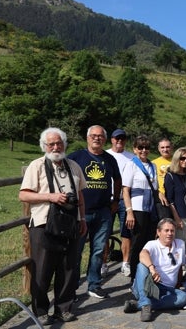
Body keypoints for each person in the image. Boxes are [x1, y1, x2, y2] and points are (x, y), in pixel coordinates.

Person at [19, 127, 87, 325]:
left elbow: (80, 194)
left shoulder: (73, 166)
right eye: (51, 144)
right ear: (44, 146)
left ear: (64, 144)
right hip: (43, 224)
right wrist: (50, 196)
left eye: (59, 143)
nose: (56, 147)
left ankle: (63, 308)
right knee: (42, 269)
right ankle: (41, 310)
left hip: (70, 222)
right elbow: (23, 194)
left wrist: (82, 218)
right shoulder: (37, 165)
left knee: (68, 267)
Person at [67, 125, 121, 300]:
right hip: (80, 213)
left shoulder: (110, 159)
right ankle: (71, 288)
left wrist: (116, 200)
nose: (97, 138)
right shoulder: (75, 157)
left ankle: (94, 284)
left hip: (103, 211)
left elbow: (118, 179)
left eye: (100, 136)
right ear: (87, 138)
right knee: (76, 251)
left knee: (98, 250)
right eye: (93, 136)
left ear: (104, 139)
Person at [123, 218, 186, 322]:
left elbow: (179, 267)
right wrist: (152, 268)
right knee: (141, 266)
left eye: (172, 231)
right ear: (158, 232)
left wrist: (177, 285)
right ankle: (145, 300)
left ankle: (140, 305)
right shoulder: (152, 244)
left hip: (168, 290)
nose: (170, 233)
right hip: (148, 287)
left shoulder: (180, 244)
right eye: (166, 230)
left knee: (183, 297)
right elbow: (142, 254)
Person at [123, 135, 158, 280]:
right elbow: (125, 190)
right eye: (140, 147)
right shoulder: (131, 164)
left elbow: (155, 187)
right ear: (135, 149)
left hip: (150, 207)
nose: (144, 150)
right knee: (137, 242)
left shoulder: (153, 165)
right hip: (137, 207)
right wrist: (129, 212)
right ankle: (134, 277)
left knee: (149, 241)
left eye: (146, 148)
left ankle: (146, 274)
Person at [105, 128, 136, 277]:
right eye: (117, 138)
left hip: (124, 199)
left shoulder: (131, 157)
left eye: (122, 138)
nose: (119, 141)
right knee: (105, 232)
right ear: (111, 139)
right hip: (108, 198)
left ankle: (125, 263)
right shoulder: (105, 155)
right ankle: (103, 263)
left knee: (126, 232)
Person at [152, 137, 174, 206]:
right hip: (160, 197)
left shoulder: (178, 161)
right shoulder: (153, 163)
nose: (165, 149)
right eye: (162, 147)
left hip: (176, 196)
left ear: (171, 148)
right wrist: (158, 193)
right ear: (159, 149)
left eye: (167, 147)